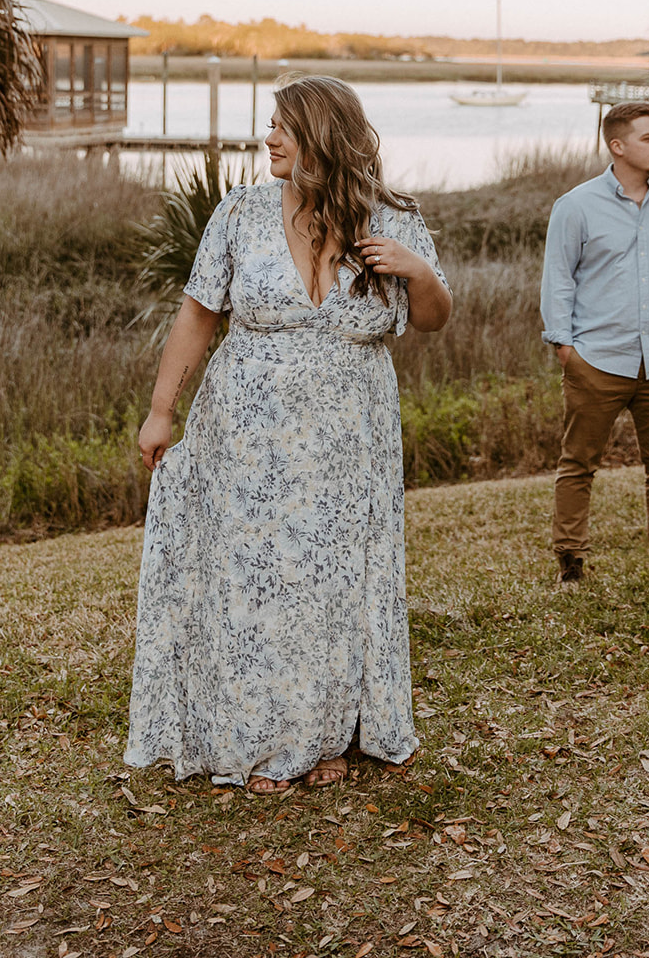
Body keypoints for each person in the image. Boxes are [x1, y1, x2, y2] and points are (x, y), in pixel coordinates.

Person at [125, 74, 452, 792]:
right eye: (268, 125)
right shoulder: (238, 215)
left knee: (332, 584)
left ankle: (325, 735)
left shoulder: (390, 218)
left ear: (324, 135)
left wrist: (417, 270)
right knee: (254, 583)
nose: (266, 137)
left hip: (347, 438)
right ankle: (257, 737)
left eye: (282, 126)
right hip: (246, 432)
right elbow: (196, 315)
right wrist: (161, 410)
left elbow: (431, 317)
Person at [540, 100, 649, 585]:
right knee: (578, 464)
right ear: (618, 146)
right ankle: (571, 559)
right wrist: (566, 348)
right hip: (597, 359)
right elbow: (558, 281)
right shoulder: (575, 206)